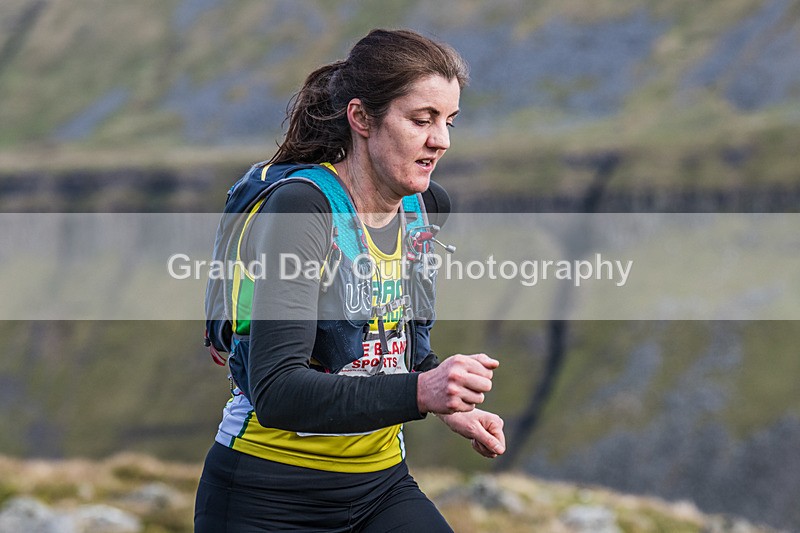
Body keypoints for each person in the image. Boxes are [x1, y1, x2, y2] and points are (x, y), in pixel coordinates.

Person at [195, 28, 505, 532]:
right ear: (361, 118)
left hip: (380, 487)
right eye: (421, 120)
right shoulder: (304, 208)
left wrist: (448, 402)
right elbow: (278, 393)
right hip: (267, 495)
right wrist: (422, 391)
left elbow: (392, 346)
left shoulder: (424, 208)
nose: (441, 140)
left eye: (449, 121)